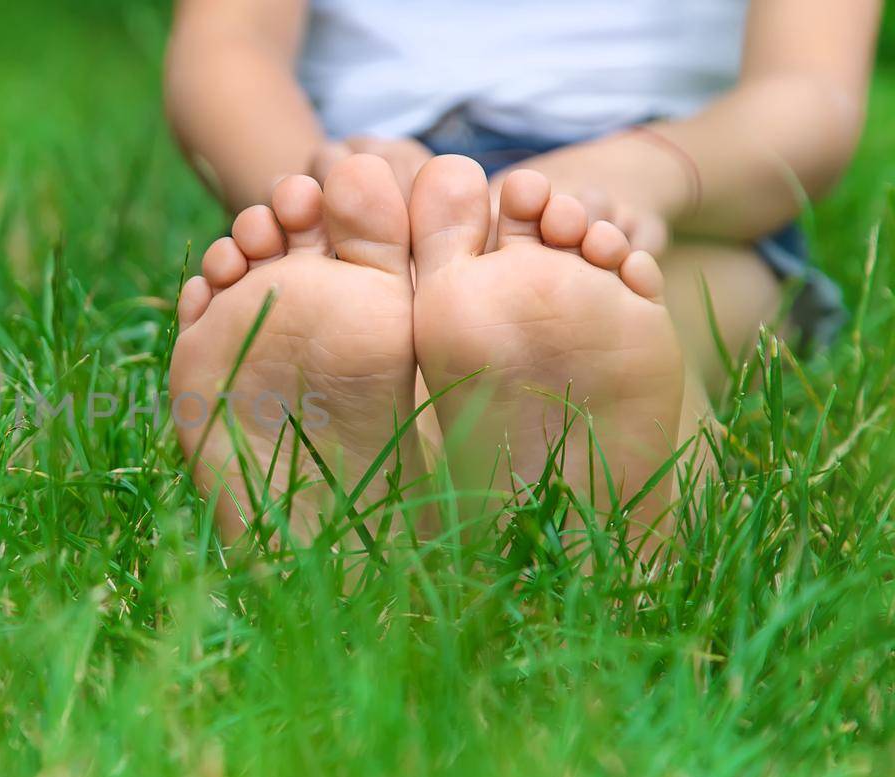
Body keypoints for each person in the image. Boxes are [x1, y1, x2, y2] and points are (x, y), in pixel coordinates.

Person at [163, 0, 882, 550]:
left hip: (682, 191)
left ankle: (364, 528)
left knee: (635, 310)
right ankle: (590, 522)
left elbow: (808, 97)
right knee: (371, 313)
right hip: (380, 180)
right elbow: (227, 51)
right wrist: (323, 194)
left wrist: (648, 172)